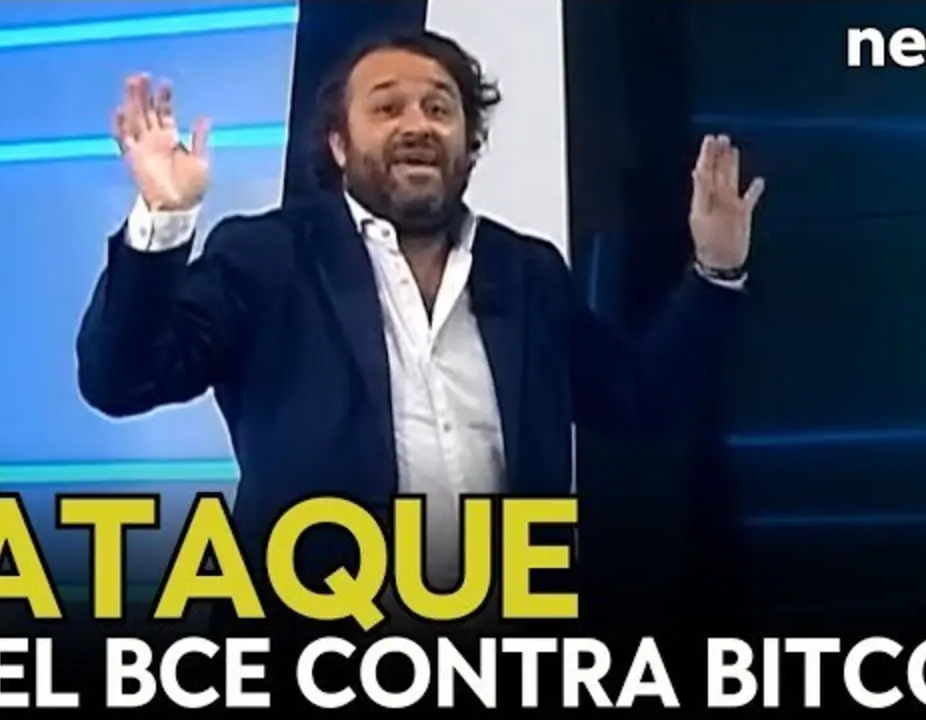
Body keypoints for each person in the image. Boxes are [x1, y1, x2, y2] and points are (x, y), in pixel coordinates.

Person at [77, 28, 765, 620]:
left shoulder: (527, 273)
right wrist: (164, 220)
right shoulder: (266, 257)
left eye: (439, 108)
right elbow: (121, 379)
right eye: (387, 107)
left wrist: (715, 271)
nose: (417, 125)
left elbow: (641, 398)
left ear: (469, 144)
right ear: (340, 145)